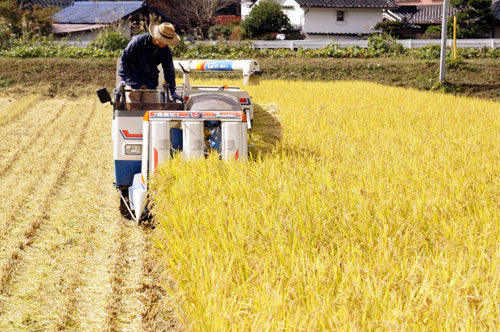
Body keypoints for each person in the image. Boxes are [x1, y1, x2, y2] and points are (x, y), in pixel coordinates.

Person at [117, 22, 182, 104]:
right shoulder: (137, 42)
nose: (166, 44)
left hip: (150, 82)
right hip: (133, 81)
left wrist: (172, 90)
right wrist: (122, 79)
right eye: (165, 41)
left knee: (151, 111)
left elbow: (169, 69)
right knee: (133, 112)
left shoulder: (165, 50)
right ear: (157, 38)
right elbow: (125, 59)